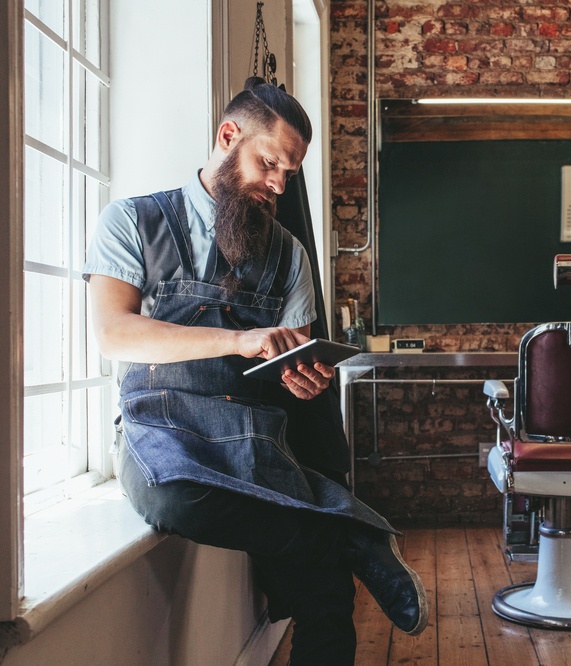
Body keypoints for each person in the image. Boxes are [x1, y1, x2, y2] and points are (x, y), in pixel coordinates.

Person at [83, 77, 427, 664]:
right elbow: (113, 333)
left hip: (253, 439)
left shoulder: (290, 255)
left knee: (326, 595)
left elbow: (287, 367)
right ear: (227, 136)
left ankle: (336, 543)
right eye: (269, 163)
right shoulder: (131, 221)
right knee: (176, 501)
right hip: (162, 433)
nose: (277, 184)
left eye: (288, 174)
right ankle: (346, 534)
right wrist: (241, 338)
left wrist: (300, 377)